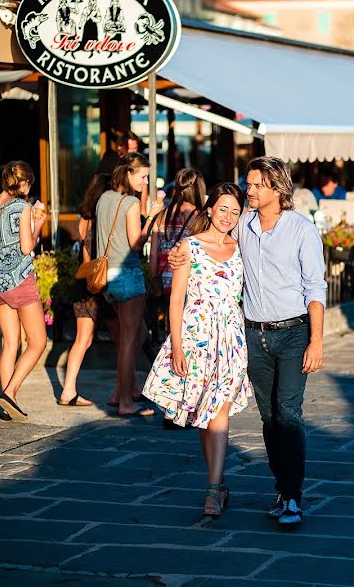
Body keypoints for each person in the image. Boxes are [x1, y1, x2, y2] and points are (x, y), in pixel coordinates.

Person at [170, 156, 326, 526]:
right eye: (249, 184)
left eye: (255, 184)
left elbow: (315, 287)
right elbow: (210, 232)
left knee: (288, 413)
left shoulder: (302, 229)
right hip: (253, 336)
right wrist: (181, 251)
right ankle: (281, 486)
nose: (249, 189)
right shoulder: (244, 225)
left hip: (293, 333)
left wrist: (316, 340)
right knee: (269, 418)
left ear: (277, 188)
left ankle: (292, 496)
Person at [142, 183, 252, 517]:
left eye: (235, 211)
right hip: (196, 336)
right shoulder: (188, 247)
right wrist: (176, 345)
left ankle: (214, 488)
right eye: (223, 209)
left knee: (218, 410)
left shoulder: (243, 245)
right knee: (206, 412)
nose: (228, 217)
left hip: (231, 338)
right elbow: (176, 300)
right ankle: (216, 482)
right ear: (209, 209)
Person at [0, 161, 47, 421]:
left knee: (10, 344)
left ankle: (7, 408)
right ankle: (10, 392)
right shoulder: (23, 207)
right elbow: (27, 247)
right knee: (38, 342)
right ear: (24, 183)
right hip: (20, 281)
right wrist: (39, 223)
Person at [96, 152, 162, 417]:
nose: (146, 182)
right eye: (143, 176)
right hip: (127, 272)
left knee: (138, 334)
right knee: (129, 339)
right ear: (128, 174)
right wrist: (152, 218)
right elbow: (136, 243)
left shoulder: (104, 198)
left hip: (106, 275)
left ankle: (124, 390)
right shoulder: (131, 204)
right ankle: (125, 401)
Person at [60, 174, 115, 408]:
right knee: (125, 338)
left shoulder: (83, 218)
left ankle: (68, 390)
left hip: (85, 282)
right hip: (104, 284)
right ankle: (123, 391)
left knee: (82, 340)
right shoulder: (106, 217)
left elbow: (84, 251)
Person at [149, 168, 204, 326]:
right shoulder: (197, 216)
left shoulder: (162, 215)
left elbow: (153, 253)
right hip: (187, 282)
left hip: (165, 281)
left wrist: (155, 279)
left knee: (169, 325)